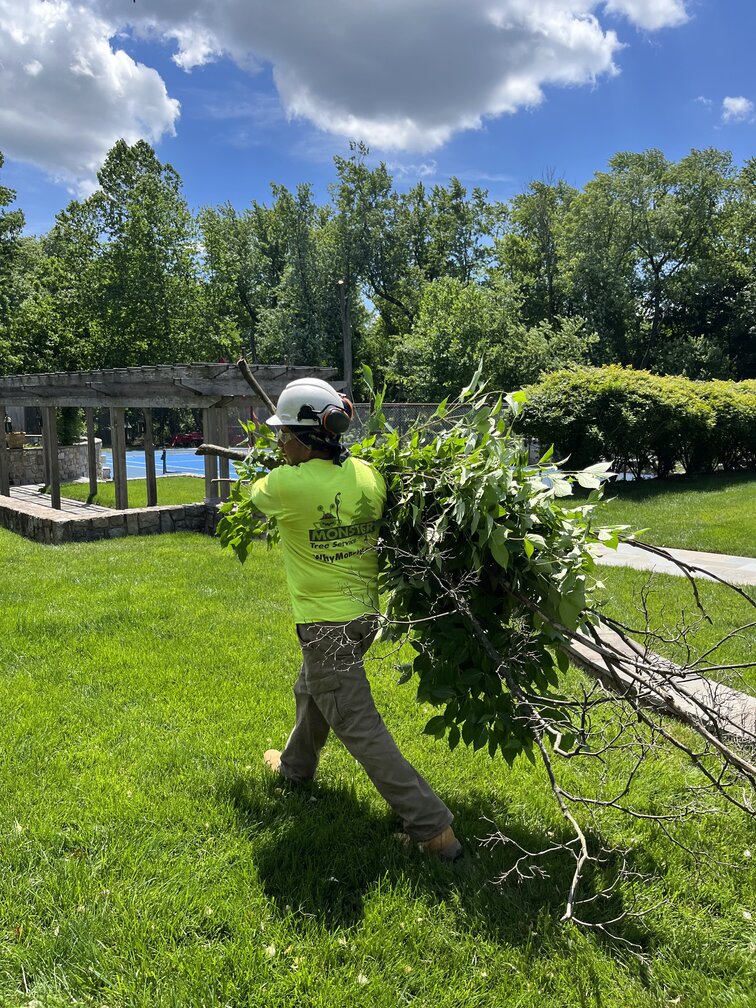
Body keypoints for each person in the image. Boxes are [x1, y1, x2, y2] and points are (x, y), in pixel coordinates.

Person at [249, 377, 461, 860]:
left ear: (309, 437)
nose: (279, 443)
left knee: (359, 726)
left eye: (284, 434)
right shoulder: (370, 475)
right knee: (312, 689)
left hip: (325, 627)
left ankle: (433, 829)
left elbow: (256, 495)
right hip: (364, 617)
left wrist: (278, 465)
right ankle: (295, 767)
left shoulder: (284, 486)